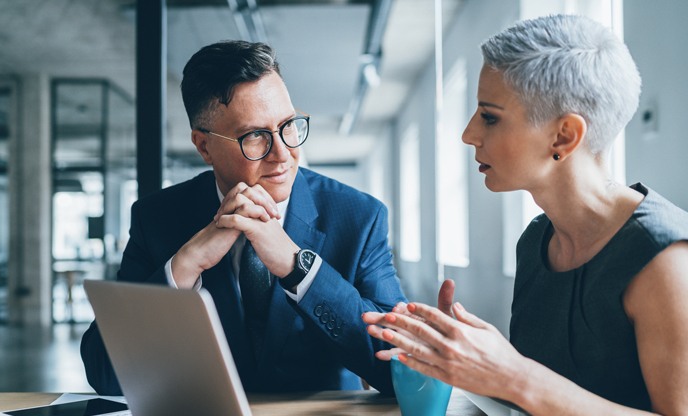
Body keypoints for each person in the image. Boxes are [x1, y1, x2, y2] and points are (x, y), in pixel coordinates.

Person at [363, 14, 688, 415]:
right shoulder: (536, 241)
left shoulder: (666, 259)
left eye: (489, 116)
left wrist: (513, 374)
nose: (468, 134)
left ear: (564, 136)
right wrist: (453, 355)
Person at [81, 40, 406, 395]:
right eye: (255, 136)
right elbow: (105, 373)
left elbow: (399, 366)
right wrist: (185, 266)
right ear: (204, 146)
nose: (283, 154)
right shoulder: (157, 219)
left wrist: (299, 268)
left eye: (289, 125)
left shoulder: (359, 217)